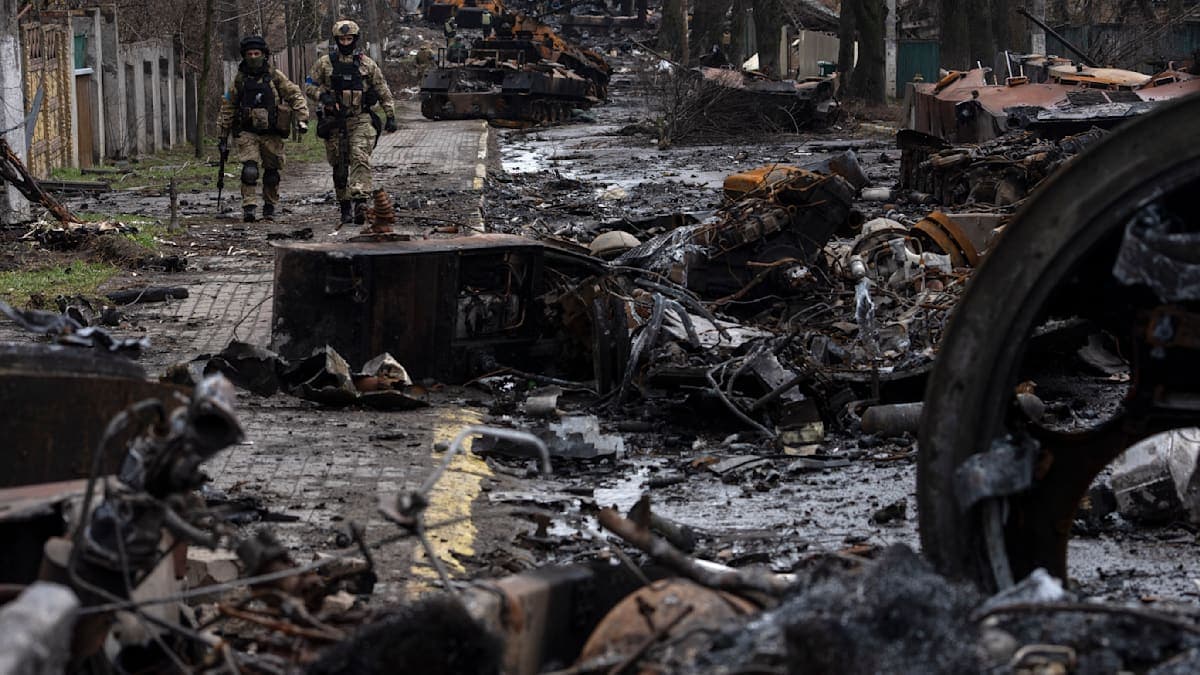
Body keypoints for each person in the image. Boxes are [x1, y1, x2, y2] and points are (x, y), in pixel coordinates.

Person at [305, 20, 398, 225]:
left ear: (355, 40)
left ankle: (360, 202)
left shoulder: (367, 64)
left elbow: (382, 89)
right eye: (342, 39)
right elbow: (309, 86)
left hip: (361, 119)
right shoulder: (324, 63)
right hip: (335, 122)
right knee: (339, 166)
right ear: (336, 40)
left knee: (359, 156)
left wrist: (390, 115)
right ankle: (345, 206)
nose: (345, 43)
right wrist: (323, 97)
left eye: (349, 39)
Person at [217, 35, 309, 222]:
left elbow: (294, 94)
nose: (253, 57)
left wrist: (302, 117)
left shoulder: (275, 76)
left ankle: (269, 206)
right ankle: (249, 207)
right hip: (247, 132)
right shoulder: (239, 79)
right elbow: (228, 105)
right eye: (249, 53)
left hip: (272, 133)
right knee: (249, 170)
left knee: (272, 173)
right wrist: (222, 134)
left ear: (264, 54)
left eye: (256, 53)